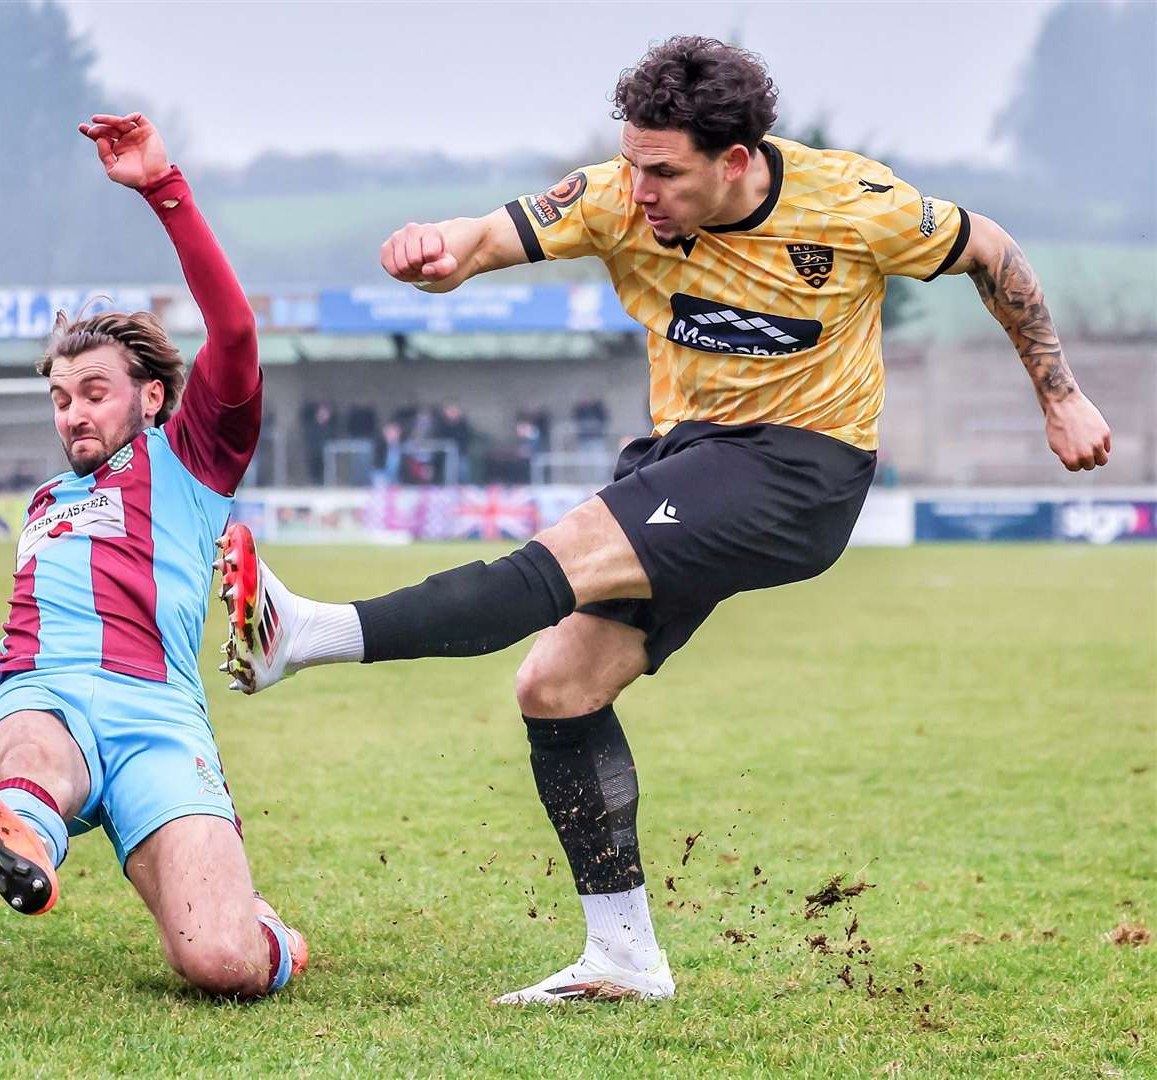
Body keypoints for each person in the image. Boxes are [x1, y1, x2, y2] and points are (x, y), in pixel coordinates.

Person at [216, 37, 1112, 1004]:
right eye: (633, 162)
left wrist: (1058, 395)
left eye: (664, 171)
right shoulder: (613, 194)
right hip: (686, 457)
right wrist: (439, 255)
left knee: (561, 558)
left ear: (735, 161)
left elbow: (993, 250)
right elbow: (479, 241)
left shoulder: (853, 203)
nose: (638, 188)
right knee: (556, 687)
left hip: (802, 470)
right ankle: (624, 957)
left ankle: (305, 636)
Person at [0, 113, 306, 1000]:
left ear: (150, 396)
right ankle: (18, 833)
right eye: (62, 397)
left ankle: (267, 930)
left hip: (158, 719)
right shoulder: (40, 507)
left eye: (95, 393)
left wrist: (162, 189)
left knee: (219, 965)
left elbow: (234, 334)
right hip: (45, 698)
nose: (73, 412)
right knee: (31, 740)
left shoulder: (190, 458)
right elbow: (17, 645)